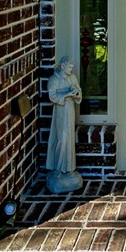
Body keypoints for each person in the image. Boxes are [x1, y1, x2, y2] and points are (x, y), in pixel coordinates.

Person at [45, 57, 83, 193]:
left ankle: (69, 168)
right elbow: (52, 96)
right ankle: (58, 168)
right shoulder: (54, 79)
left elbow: (78, 89)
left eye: (71, 68)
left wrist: (76, 92)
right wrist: (66, 94)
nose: (71, 70)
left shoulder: (71, 77)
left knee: (69, 138)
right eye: (69, 67)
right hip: (61, 110)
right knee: (62, 138)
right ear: (62, 66)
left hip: (70, 108)